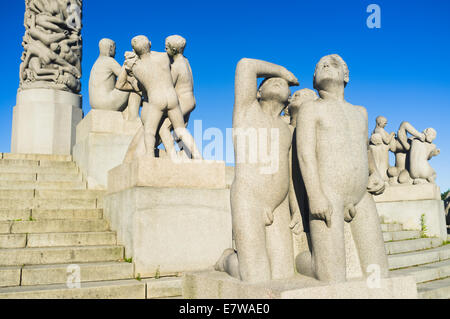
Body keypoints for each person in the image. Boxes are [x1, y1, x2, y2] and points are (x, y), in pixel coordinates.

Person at [295, 54, 388, 283]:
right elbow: (305, 154)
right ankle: (297, 260)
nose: (325, 65)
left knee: (378, 271)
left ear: (345, 76)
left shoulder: (360, 112)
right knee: (331, 276)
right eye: (319, 66)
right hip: (328, 194)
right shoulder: (311, 110)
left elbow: (364, 149)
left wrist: (375, 172)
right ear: (315, 78)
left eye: (332, 64)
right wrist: (315, 194)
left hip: (361, 196)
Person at [215, 58, 299, 283]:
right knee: (255, 277)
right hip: (249, 198)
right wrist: (282, 70)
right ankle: (227, 260)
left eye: (282, 83)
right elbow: (245, 65)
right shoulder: (247, 111)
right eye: (270, 81)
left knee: (284, 275)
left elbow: (290, 172)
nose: (278, 82)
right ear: (258, 92)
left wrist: (296, 208)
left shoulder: (287, 129)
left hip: (279, 205)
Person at [117, 35, 202, 159]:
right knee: (181, 130)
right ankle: (197, 156)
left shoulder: (137, 68)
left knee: (151, 131)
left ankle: (151, 157)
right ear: (150, 44)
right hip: (172, 98)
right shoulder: (164, 58)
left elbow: (120, 84)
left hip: (157, 100)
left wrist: (127, 65)